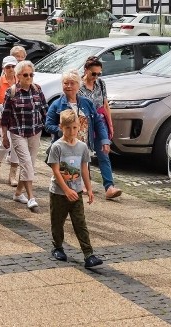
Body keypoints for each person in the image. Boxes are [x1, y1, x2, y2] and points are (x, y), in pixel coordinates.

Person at [47, 109, 102, 268]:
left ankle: (88, 254)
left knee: (80, 223)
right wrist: (66, 190)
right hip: (58, 193)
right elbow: (56, 171)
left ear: (79, 127)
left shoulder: (82, 147)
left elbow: (84, 168)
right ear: (61, 127)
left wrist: (89, 189)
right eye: (68, 128)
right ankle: (57, 246)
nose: (72, 131)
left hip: (76, 192)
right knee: (57, 222)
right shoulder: (57, 147)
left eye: (74, 128)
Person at [45, 71, 111, 199]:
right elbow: (48, 125)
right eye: (66, 83)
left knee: (80, 172)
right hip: (64, 147)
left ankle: (77, 195)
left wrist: (104, 140)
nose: (69, 86)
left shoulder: (87, 103)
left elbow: (98, 121)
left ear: (78, 85)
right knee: (66, 174)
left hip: (82, 145)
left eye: (72, 83)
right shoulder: (56, 105)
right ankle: (63, 195)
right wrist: (61, 130)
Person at [0, 60, 48, 212]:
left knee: (30, 164)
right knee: (26, 163)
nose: (29, 77)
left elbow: (44, 110)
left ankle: (18, 193)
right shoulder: (12, 92)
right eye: (25, 75)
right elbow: (5, 117)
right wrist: (4, 137)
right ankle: (31, 197)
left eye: (31, 74)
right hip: (18, 132)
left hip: (35, 131)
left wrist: (51, 127)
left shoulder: (37, 89)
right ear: (18, 75)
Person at [78, 57, 122, 199]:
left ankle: (109, 187)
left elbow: (105, 105)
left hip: (99, 122)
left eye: (99, 74)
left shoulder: (101, 84)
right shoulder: (78, 85)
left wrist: (109, 124)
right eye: (93, 74)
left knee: (104, 153)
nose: (96, 77)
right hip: (83, 123)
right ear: (86, 70)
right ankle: (85, 183)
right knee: (84, 154)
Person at [0, 55, 20, 186]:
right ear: (4, 68)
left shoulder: (19, 80)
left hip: (18, 118)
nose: (11, 69)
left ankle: (13, 174)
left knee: (16, 145)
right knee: (5, 143)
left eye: (13, 66)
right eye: (8, 67)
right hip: (3, 117)